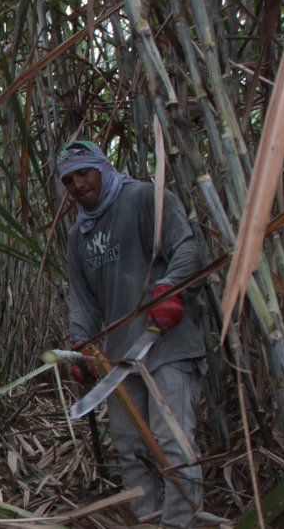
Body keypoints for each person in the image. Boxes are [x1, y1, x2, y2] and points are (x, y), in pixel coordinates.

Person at [57, 140, 206, 528]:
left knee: (173, 443)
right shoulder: (78, 236)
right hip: (119, 360)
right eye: (68, 180)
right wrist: (81, 346)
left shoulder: (143, 198)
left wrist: (169, 290)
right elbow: (82, 299)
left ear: (103, 169)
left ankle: (180, 524)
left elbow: (187, 248)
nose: (77, 184)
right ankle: (147, 520)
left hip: (166, 345)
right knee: (130, 449)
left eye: (84, 173)